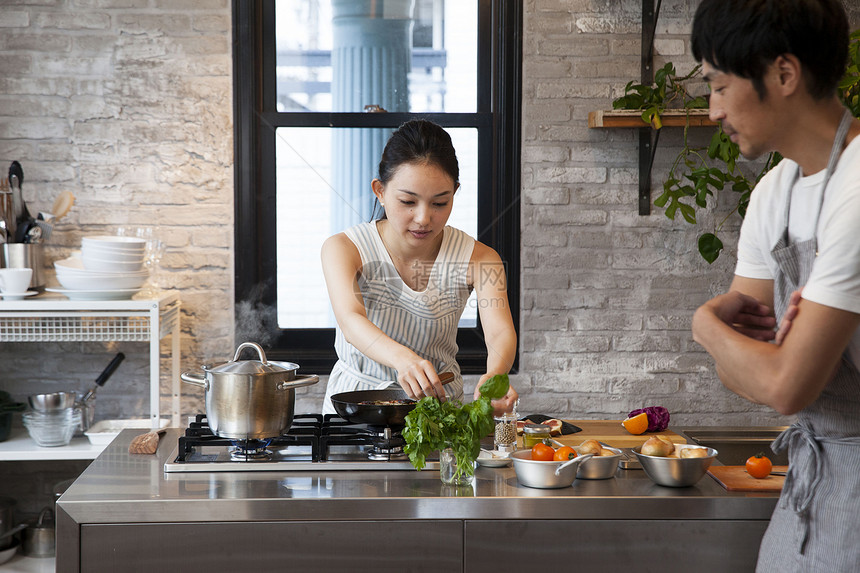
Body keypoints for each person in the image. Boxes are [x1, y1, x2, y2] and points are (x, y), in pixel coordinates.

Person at [690, 1, 860, 571]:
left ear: (783, 74)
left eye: (718, 85)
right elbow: (746, 372)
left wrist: (706, 327)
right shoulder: (774, 193)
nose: (712, 110)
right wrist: (763, 357)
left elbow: (784, 386)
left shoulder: (857, 188)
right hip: (813, 481)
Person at [320, 119, 518, 415]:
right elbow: (350, 320)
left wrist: (495, 375)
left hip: (438, 409)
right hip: (354, 406)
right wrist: (404, 359)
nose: (424, 218)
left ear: (455, 192)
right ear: (380, 191)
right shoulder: (344, 248)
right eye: (408, 201)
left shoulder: (480, 258)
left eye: (440, 203)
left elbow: (500, 332)